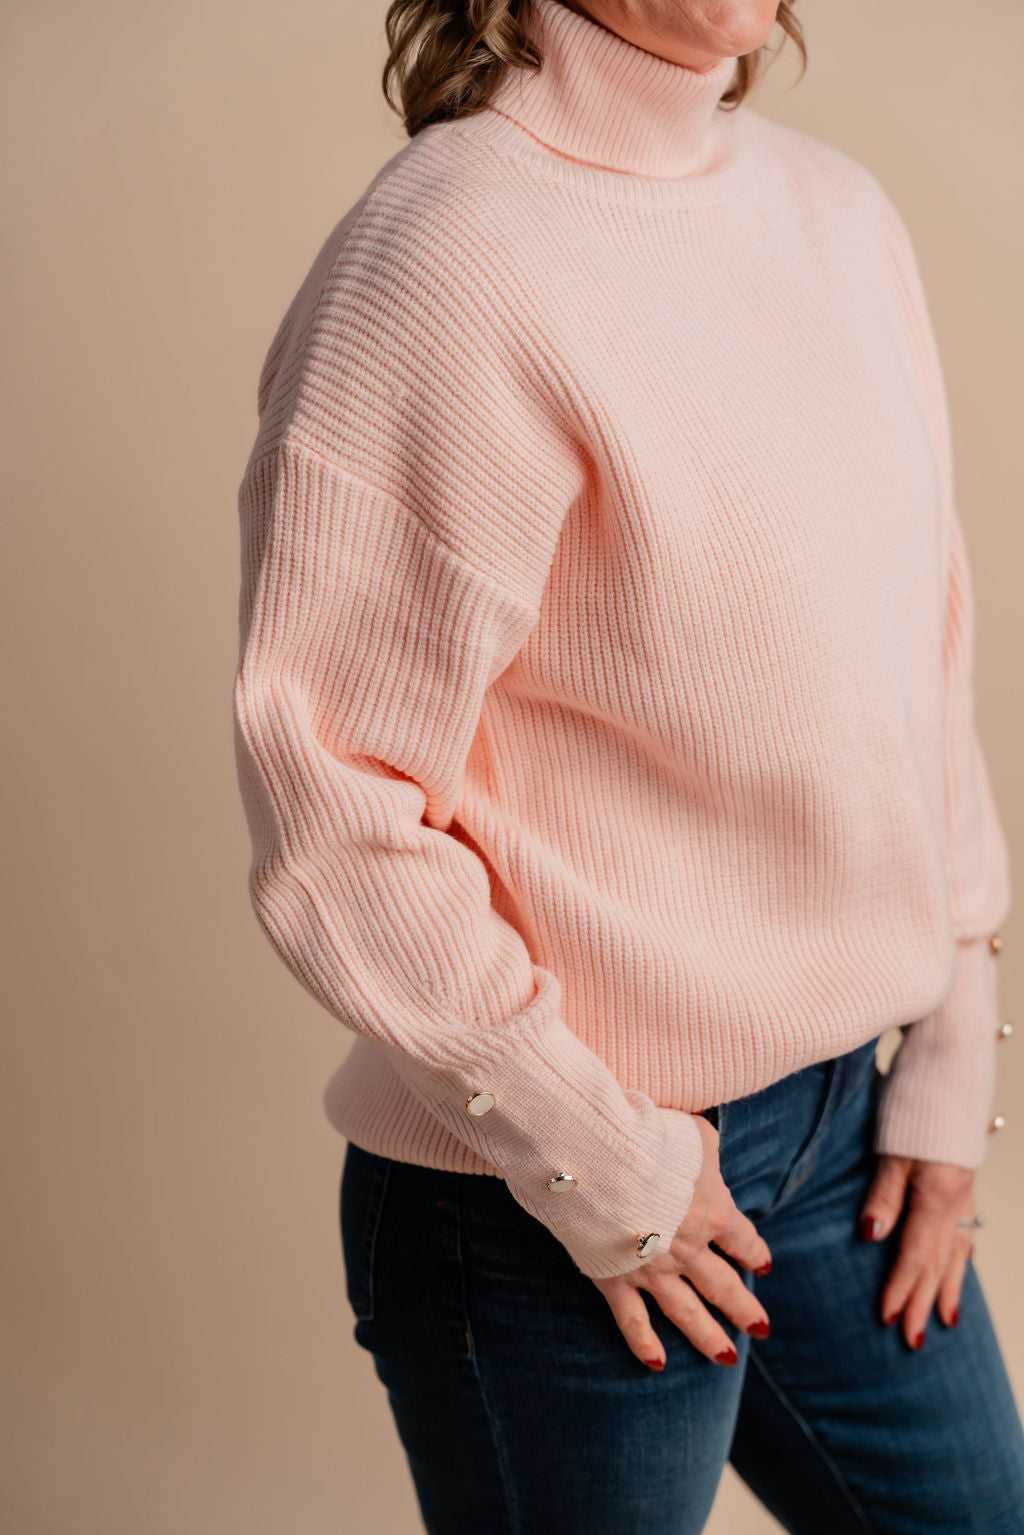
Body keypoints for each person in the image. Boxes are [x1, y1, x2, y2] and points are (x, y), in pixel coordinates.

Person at [230, 0, 1024, 1528]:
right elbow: (332, 801)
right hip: (542, 1194)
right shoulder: (443, 260)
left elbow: (922, 644)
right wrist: (598, 1157)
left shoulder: (837, 213)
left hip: (842, 1131)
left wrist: (952, 1030)